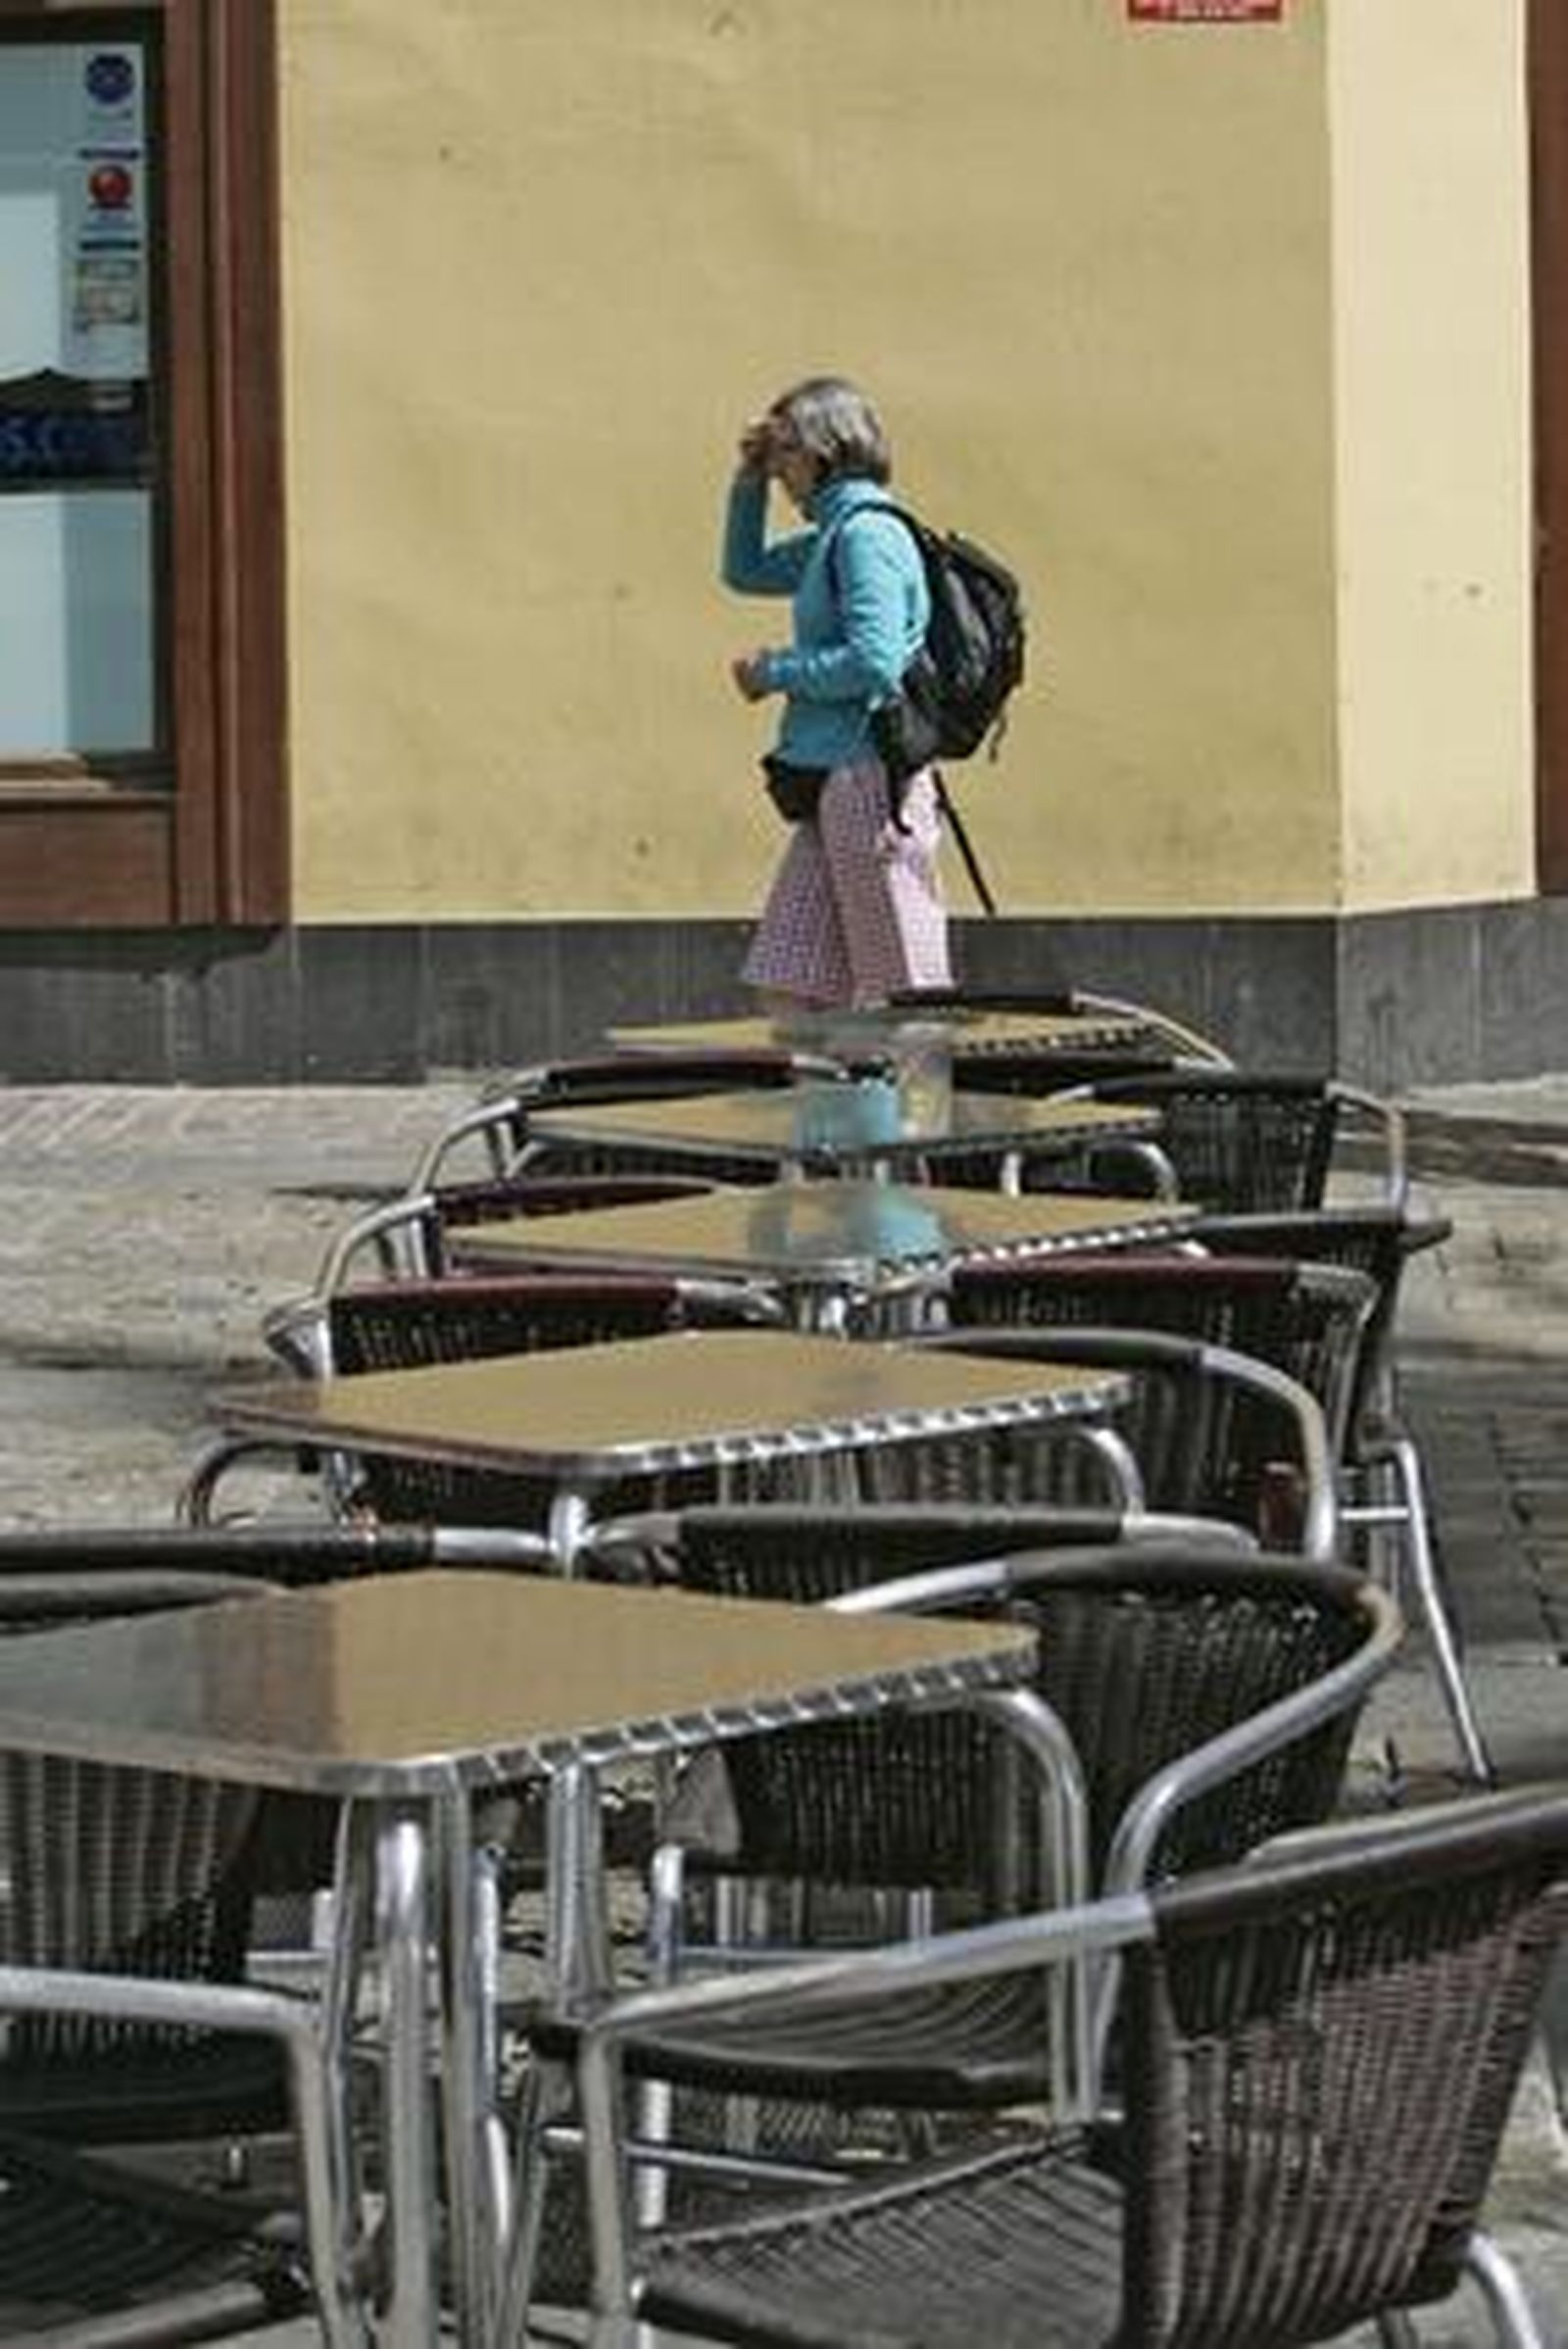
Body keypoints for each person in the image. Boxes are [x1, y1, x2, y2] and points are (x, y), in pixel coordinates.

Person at [723, 374, 952, 1010]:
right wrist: (751, 478)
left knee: (899, 989)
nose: (783, 466)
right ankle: (833, 1110)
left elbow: (875, 663)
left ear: (826, 450)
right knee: (790, 984)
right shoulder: (833, 533)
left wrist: (776, 672)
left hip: (871, 780)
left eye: (787, 451)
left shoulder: (865, 535)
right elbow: (744, 571)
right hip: (832, 779)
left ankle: (916, 1110)